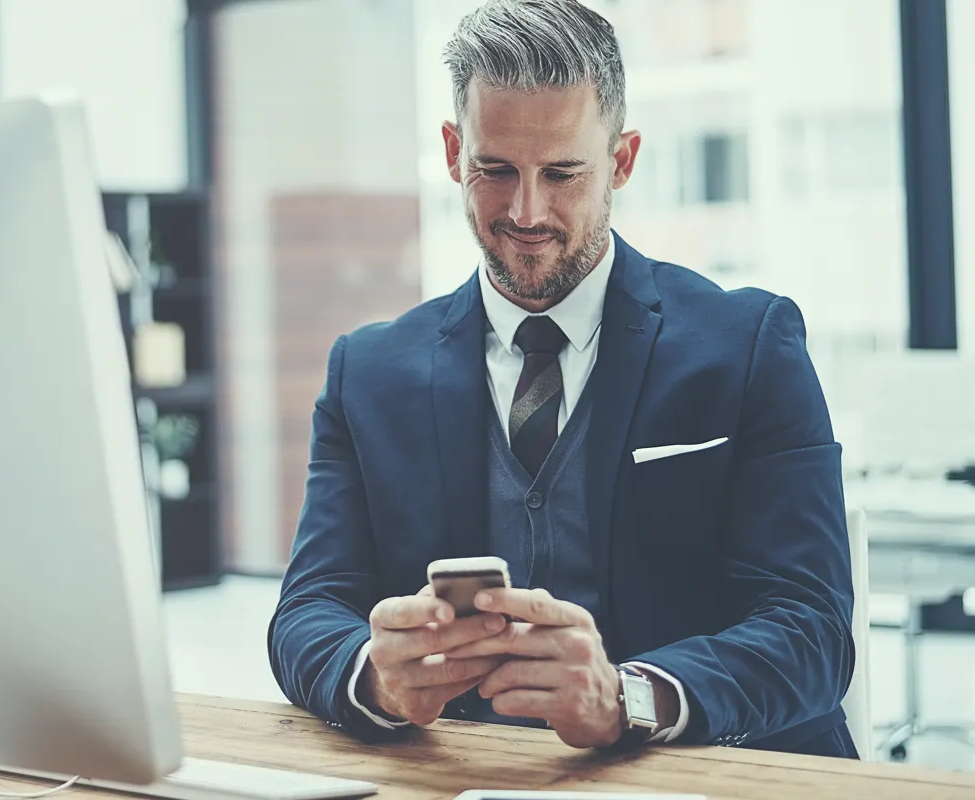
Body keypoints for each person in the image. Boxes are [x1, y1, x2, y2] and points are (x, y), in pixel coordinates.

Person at [266, 0, 857, 760]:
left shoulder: (750, 345)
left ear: (622, 160)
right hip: (470, 778)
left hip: (710, 775)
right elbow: (308, 610)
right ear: (453, 153)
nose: (526, 210)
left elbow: (811, 627)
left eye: (563, 173)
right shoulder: (368, 372)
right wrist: (373, 677)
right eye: (495, 169)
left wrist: (627, 698)